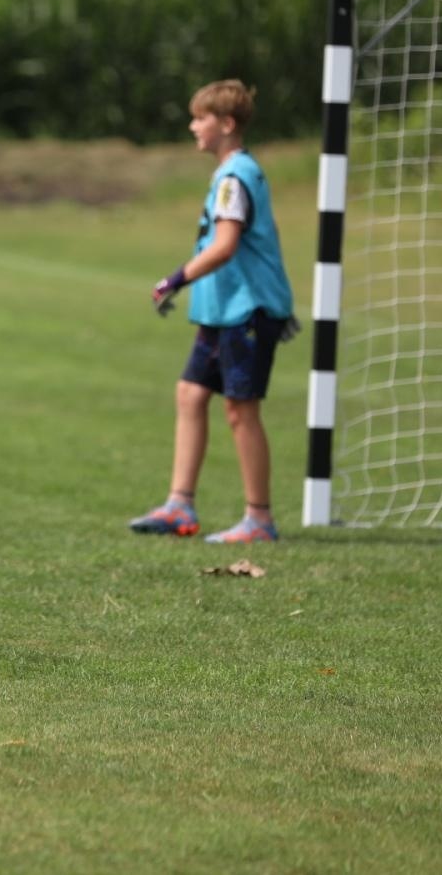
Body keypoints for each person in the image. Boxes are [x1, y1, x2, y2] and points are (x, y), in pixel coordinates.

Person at [129, 80, 294, 544]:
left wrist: (174, 280)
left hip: (247, 311)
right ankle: (179, 505)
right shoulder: (230, 173)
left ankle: (259, 519)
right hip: (224, 312)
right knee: (190, 394)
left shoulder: (234, 177)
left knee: (240, 410)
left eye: (201, 118)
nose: (193, 126)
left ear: (226, 124)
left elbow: (224, 246)